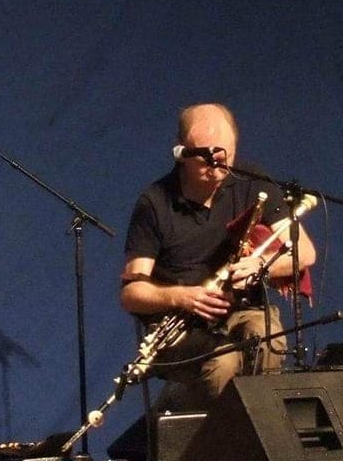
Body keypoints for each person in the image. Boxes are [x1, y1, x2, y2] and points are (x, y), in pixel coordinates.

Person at [120, 103, 316, 412]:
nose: (218, 166)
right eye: (207, 157)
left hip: (242, 307)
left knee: (268, 339)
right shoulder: (154, 203)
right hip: (185, 325)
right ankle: (210, 443)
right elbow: (132, 293)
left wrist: (261, 265)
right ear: (182, 153)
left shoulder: (252, 181)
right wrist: (183, 297)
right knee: (224, 363)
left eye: (225, 155)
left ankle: (260, 438)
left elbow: (304, 252)